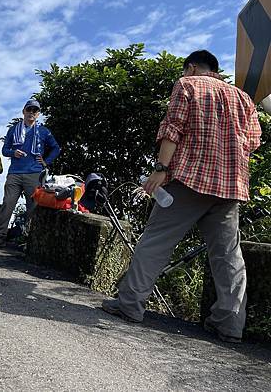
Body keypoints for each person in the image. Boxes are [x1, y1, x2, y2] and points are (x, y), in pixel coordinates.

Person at [101, 50, 261, 344]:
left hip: (190, 180)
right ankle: (229, 325)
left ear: (191, 67)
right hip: (230, 187)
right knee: (228, 257)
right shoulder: (244, 99)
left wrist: (161, 169)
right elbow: (252, 142)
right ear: (215, 69)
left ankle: (129, 305)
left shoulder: (187, 84)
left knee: (156, 242)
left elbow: (173, 129)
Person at [0, 99, 60, 248]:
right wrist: (13, 152)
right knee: (7, 204)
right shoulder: (13, 129)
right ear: (23, 111)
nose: (31, 113)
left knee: (33, 207)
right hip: (15, 172)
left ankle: (29, 241)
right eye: (29, 110)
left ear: (38, 114)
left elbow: (56, 148)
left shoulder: (43, 131)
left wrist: (46, 161)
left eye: (35, 111)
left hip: (34, 173)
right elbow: (4, 150)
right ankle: (0, 236)